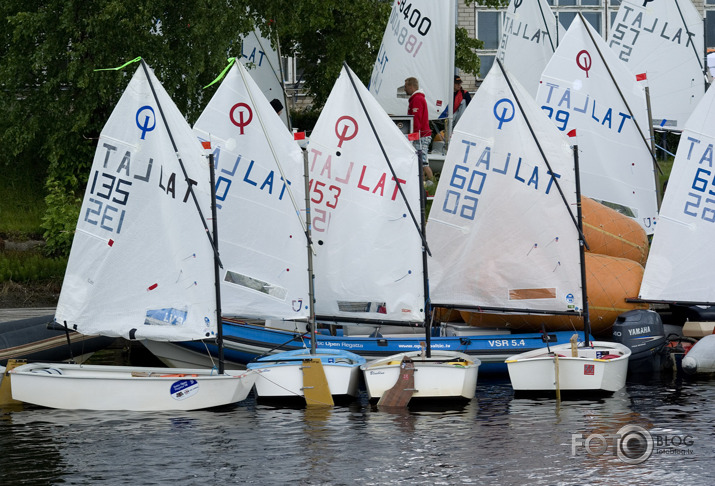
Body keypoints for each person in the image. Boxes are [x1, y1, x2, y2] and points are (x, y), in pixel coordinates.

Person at [404, 77, 434, 181]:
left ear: (411, 87)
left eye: (405, 87)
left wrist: (411, 136)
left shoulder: (416, 99)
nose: (404, 89)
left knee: (423, 162)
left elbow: (416, 120)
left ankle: (433, 185)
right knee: (420, 162)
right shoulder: (418, 98)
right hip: (422, 135)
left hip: (421, 136)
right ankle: (423, 186)